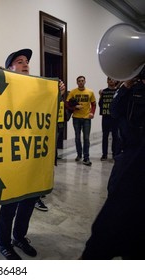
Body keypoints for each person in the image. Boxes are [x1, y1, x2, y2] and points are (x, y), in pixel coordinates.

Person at [0, 49, 65, 260]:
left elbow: (58, 119)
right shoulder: (3, 89)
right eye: (19, 61)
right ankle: (4, 243)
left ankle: (19, 237)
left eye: (27, 61)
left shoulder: (38, 91)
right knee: (9, 204)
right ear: (10, 68)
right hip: (11, 156)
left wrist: (58, 95)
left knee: (28, 203)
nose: (25, 64)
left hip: (33, 157)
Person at [81, 69, 145, 259]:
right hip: (129, 156)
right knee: (112, 213)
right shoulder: (128, 88)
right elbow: (114, 110)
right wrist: (126, 86)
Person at [66, 76, 96, 166]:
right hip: (76, 118)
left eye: (82, 81)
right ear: (77, 82)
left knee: (86, 138)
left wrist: (92, 113)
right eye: (79, 81)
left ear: (85, 81)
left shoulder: (90, 92)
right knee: (77, 137)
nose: (81, 82)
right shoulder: (73, 92)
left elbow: (94, 104)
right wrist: (75, 107)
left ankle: (86, 157)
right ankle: (79, 154)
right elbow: (66, 104)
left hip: (86, 118)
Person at [98, 77, 120, 160]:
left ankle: (114, 153)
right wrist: (100, 96)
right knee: (105, 136)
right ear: (107, 81)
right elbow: (101, 104)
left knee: (115, 136)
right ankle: (104, 154)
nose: (111, 81)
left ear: (116, 81)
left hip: (115, 117)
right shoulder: (104, 91)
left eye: (113, 79)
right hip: (106, 117)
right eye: (109, 79)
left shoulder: (118, 91)